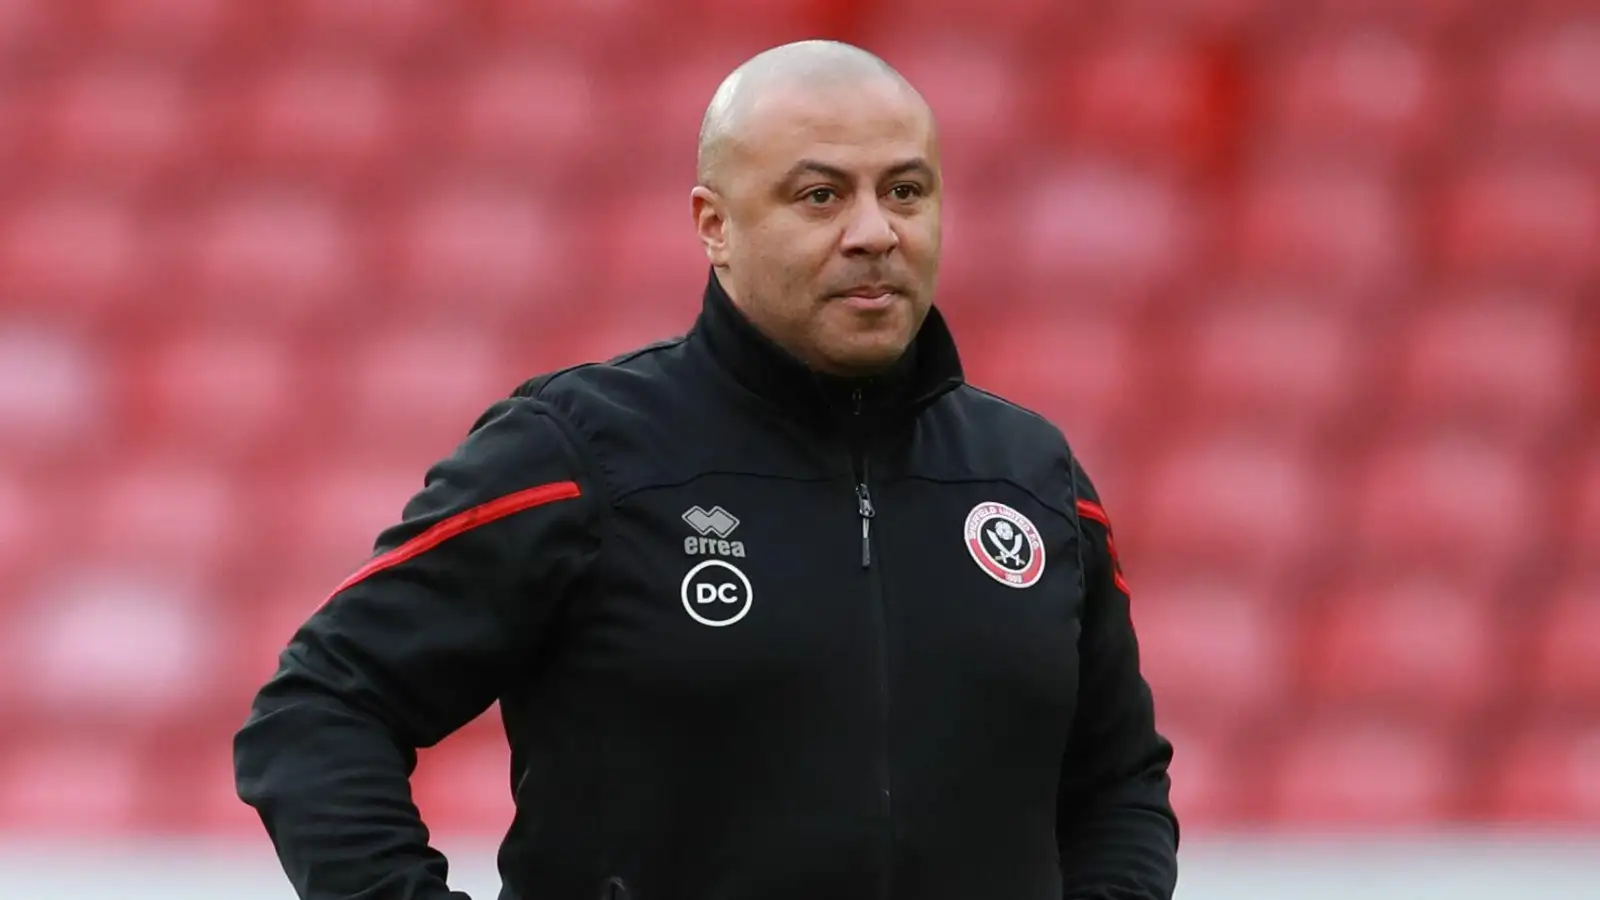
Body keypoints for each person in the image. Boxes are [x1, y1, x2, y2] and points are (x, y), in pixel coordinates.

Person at [234, 39, 1179, 900]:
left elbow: (1119, 782)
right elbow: (319, 709)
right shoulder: (577, 454)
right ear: (714, 224)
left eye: (905, 191)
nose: (874, 232)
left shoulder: (1032, 480)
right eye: (820, 195)